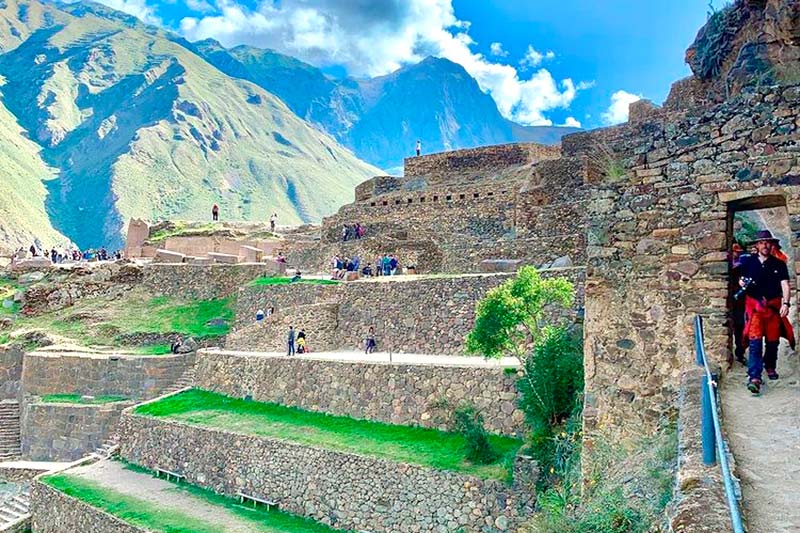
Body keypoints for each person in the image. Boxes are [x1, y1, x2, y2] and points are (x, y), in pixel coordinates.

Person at [738, 229, 795, 394]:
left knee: (772, 341)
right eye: (762, 242)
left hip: (773, 307)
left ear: (772, 245)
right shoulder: (748, 263)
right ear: (757, 245)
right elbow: (741, 280)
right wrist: (742, 283)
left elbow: (785, 284)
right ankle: (754, 377)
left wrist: (786, 303)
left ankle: (770, 366)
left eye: (768, 242)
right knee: (755, 342)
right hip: (755, 308)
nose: (765, 245)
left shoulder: (779, 264)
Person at [729, 242, 747, 365]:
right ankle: (739, 352)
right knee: (738, 326)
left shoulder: (741, 268)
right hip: (736, 300)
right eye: (736, 252)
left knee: (740, 326)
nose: (737, 254)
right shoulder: (731, 268)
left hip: (740, 301)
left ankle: (740, 352)